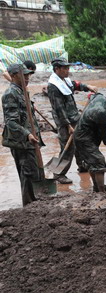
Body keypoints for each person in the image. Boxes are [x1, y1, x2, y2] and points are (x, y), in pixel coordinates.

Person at [47, 57, 98, 183]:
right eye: (64, 68)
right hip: (65, 122)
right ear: (56, 69)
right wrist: (68, 125)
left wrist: (88, 87)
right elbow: (59, 108)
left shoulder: (64, 80)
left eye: (68, 68)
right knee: (67, 147)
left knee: (80, 143)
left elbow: (75, 85)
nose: (67, 70)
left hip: (74, 117)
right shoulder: (53, 85)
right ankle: (59, 174)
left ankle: (82, 166)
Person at [1, 63, 43, 206]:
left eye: (28, 75)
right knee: (28, 174)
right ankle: (29, 204)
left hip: (30, 140)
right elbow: (11, 122)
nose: (27, 78)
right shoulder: (10, 94)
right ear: (13, 76)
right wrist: (27, 134)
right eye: (23, 75)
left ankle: (33, 200)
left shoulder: (22, 91)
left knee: (32, 172)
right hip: (22, 142)